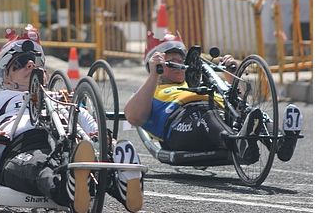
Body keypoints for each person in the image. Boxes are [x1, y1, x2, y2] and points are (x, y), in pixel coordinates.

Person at [0, 24, 144, 213]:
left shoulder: (62, 100)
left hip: (69, 141)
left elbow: (95, 132)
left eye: (36, 61)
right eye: (20, 62)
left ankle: (120, 181)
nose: (30, 64)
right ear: (6, 75)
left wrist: (108, 142)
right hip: (21, 147)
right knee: (39, 164)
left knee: (95, 153)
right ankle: (72, 183)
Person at [124, 30, 301, 163]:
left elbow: (236, 103)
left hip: (219, 118)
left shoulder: (197, 84)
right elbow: (133, 116)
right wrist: (154, 74)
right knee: (206, 114)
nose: (178, 64)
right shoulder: (150, 89)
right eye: (171, 61)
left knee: (249, 112)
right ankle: (239, 143)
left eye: (181, 60)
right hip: (181, 129)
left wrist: (231, 75)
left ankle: (282, 143)